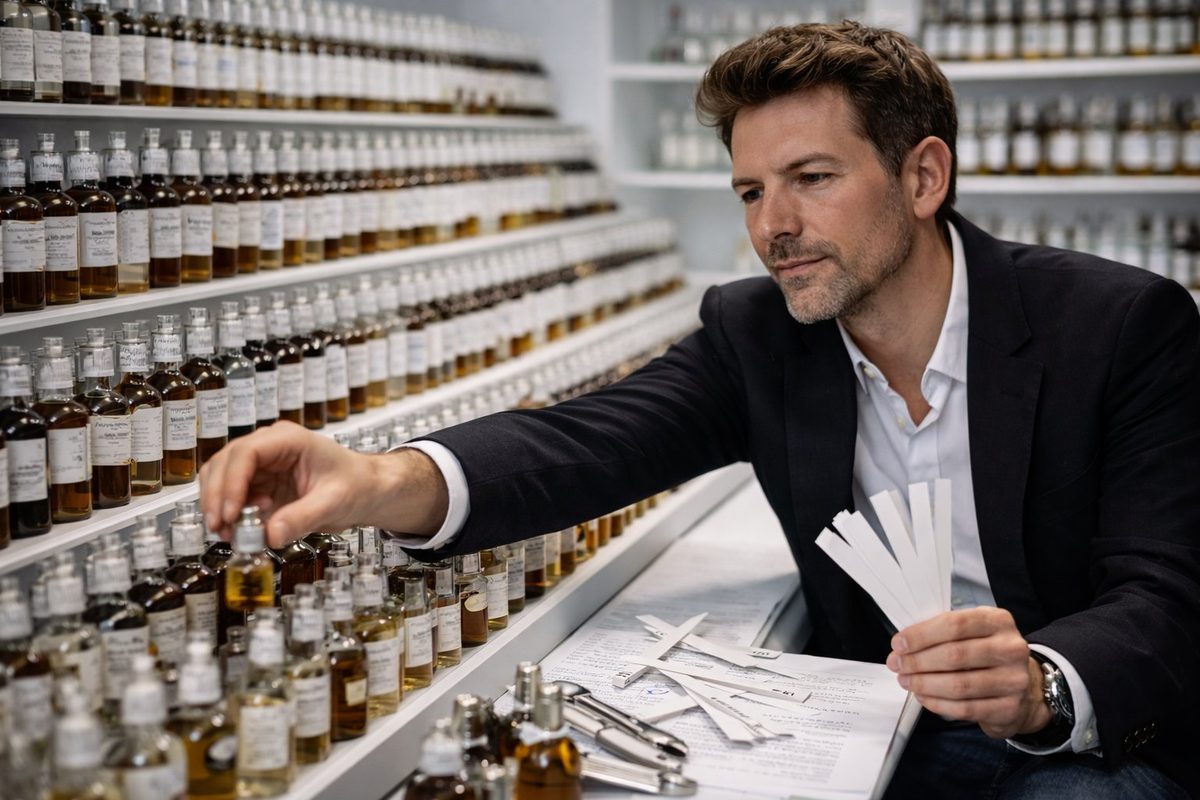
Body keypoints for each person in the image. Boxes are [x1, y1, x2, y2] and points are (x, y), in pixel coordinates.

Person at [199, 21, 1200, 799]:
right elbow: (586, 439)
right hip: (875, 719)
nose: (774, 225)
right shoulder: (759, 331)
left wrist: (1040, 683)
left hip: (1075, 743)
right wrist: (379, 477)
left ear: (923, 174)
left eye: (812, 179)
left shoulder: (1118, 325)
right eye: (751, 190)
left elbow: (1168, 597)